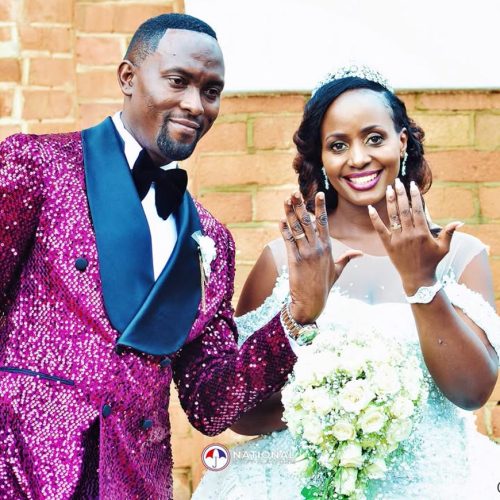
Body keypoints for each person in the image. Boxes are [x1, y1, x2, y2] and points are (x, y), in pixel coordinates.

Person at [0, 13, 338, 499]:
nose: (195, 105)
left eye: (211, 91)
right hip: (20, 472)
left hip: (136, 485)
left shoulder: (213, 242)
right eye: (178, 81)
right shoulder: (36, 166)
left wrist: (298, 315)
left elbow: (211, 405)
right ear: (128, 77)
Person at [193, 66, 500, 499]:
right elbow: (238, 411)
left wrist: (421, 281)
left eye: (374, 138)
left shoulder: (456, 254)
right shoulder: (284, 260)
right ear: (321, 158)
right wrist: (324, 404)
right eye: (338, 145)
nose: (357, 158)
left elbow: (471, 392)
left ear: (402, 142)